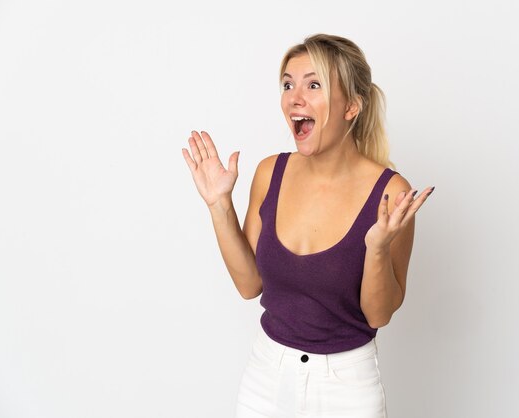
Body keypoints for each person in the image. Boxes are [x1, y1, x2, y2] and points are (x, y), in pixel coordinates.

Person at [182, 33, 434, 418]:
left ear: (351, 106)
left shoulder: (390, 193)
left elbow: (378, 315)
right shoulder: (270, 173)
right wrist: (220, 206)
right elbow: (250, 285)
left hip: (346, 387)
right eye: (288, 84)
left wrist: (378, 249)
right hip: (266, 375)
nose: (294, 97)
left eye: (313, 84)